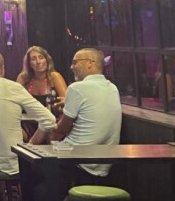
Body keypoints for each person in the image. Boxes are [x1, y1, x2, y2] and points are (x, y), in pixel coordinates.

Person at [31, 48, 122, 177]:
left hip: (76, 161)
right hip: (103, 164)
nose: (71, 67)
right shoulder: (112, 88)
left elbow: (61, 130)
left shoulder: (77, 88)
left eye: (75, 62)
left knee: (32, 163)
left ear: (90, 63)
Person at [16, 46, 68, 111]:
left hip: (53, 116)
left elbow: (67, 103)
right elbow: (15, 101)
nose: (38, 62)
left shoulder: (55, 76)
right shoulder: (23, 78)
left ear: (47, 60)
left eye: (41, 58)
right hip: (29, 116)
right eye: (33, 59)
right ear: (29, 64)